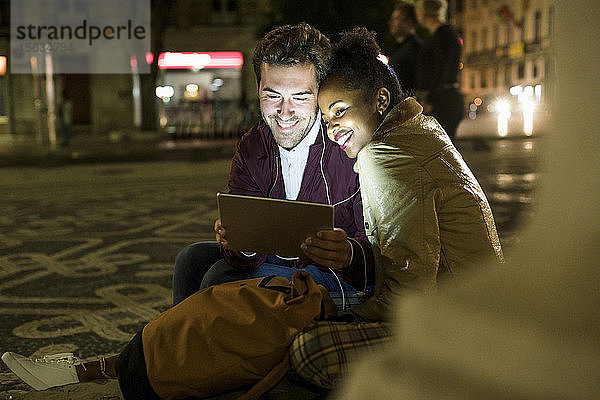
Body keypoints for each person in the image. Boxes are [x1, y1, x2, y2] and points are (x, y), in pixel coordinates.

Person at [1, 22, 375, 393]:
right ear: (257, 88)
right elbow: (243, 256)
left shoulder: (344, 143)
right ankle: (186, 368)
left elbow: (385, 255)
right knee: (191, 260)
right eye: (271, 95)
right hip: (274, 263)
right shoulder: (253, 147)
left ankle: (124, 368)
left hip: (330, 278)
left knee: (216, 281)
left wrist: (349, 254)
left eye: (300, 97)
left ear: (319, 93)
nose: (284, 111)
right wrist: (240, 242)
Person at [289, 26, 504, 389]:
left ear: (381, 100)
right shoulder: (421, 129)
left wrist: (350, 316)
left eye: (340, 111)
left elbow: (410, 284)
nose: (331, 129)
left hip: (463, 327)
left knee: (309, 349)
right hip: (484, 310)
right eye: (326, 119)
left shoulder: (385, 155)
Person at [414, 0, 464, 140]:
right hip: (442, 100)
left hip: (442, 103)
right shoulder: (441, 35)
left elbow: (442, 69)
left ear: (424, 13)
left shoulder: (444, 35)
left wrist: (431, 100)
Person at [388, 2, 422, 95]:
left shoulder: (415, 48)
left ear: (409, 22)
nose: (391, 22)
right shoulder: (400, 48)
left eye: (397, 18)